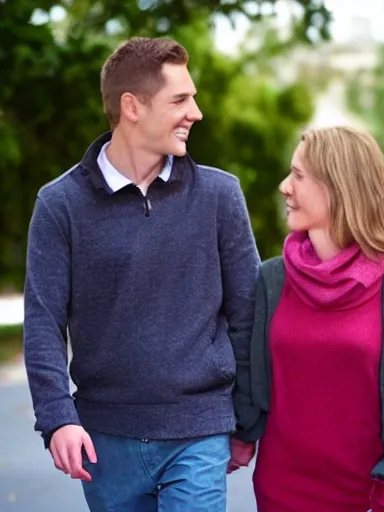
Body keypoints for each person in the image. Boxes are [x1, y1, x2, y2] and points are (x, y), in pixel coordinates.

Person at [23, 36, 260, 512]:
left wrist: (247, 419)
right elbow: (43, 321)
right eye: (180, 100)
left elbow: (249, 314)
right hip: (105, 438)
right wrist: (58, 418)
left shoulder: (220, 196)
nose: (195, 113)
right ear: (132, 106)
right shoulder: (60, 204)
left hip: (200, 427)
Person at [230, 126, 384, 512]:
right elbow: (249, 368)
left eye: (298, 175)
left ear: (338, 186)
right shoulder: (272, 279)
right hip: (282, 487)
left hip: (369, 489)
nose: (284, 187)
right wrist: (242, 431)